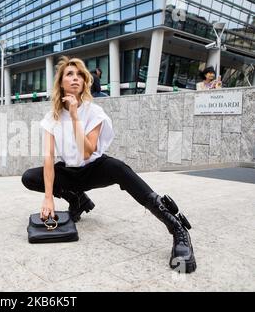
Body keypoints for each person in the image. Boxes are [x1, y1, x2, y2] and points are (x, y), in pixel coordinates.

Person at [21, 56, 196, 273]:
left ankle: (177, 228)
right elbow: (48, 157)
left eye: (79, 75)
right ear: (60, 83)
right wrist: (48, 198)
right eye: (69, 74)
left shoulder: (94, 112)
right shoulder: (51, 117)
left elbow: (87, 151)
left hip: (94, 168)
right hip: (68, 171)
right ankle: (78, 200)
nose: (75, 78)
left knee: (119, 169)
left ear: (85, 82)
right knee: (30, 177)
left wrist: (75, 115)